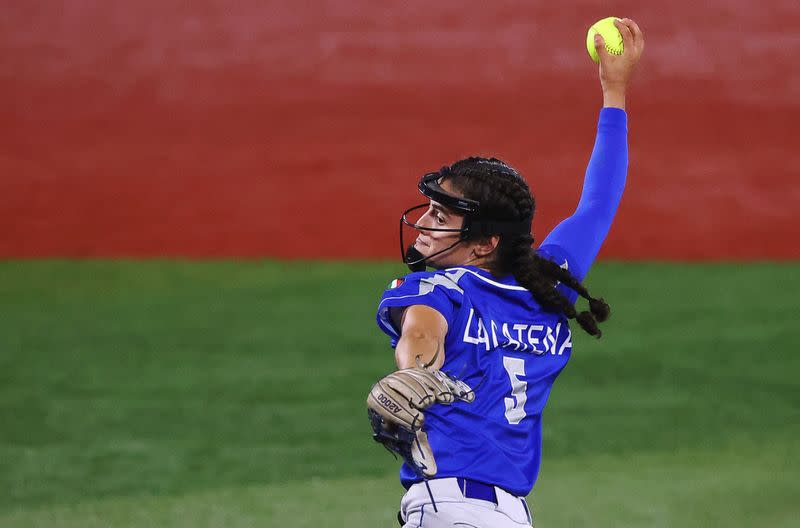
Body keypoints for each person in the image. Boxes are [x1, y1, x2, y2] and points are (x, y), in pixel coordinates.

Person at [367, 18, 645, 528]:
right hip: (505, 515)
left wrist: (413, 374)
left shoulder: (438, 289)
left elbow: (423, 329)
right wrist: (615, 90)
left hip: (450, 511)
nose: (424, 225)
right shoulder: (548, 280)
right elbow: (599, 202)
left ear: (484, 243)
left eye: (442, 217)